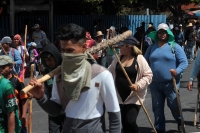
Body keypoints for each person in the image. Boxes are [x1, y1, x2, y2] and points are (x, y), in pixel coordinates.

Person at [27, 23, 121, 133]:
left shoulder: (102, 75)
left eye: (70, 50)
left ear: (84, 47)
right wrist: (41, 97)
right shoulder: (59, 75)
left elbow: (114, 117)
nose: (66, 55)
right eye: (63, 50)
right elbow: (55, 111)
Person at [144, 23, 188, 133]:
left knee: (174, 105)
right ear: (157, 34)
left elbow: (184, 62)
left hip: (171, 83)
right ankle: (159, 129)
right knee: (157, 108)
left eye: (164, 32)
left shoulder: (174, 46)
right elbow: (144, 62)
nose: (162, 34)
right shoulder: (151, 47)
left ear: (168, 33)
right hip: (155, 83)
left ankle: (179, 121)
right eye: (160, 32)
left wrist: (176, 71)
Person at [108, 36, 153, 133]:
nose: (119, 48)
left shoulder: (139, 59)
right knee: (124, 122)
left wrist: (138, 85)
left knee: (130, 121)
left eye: (121, 46)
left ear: (128, 47)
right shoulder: (118, 58)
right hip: (119, 97)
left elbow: (148, 75)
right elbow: (109, 72)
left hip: (134, 96)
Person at [40, 43, 64, 133]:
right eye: (45, 60)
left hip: (67, 111)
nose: (48, 63)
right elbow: (46, 91)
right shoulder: (46, 73)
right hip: (53, 111)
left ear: (56, 57)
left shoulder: (65, 68)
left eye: (50, 60)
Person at [0, 55, 28, 133]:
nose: (1, 69)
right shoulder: (1, 82)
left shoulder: (17, 81)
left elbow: (24, 99)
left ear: (11, 67)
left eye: (3, 67)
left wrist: (23, 116)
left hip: (17, 116)